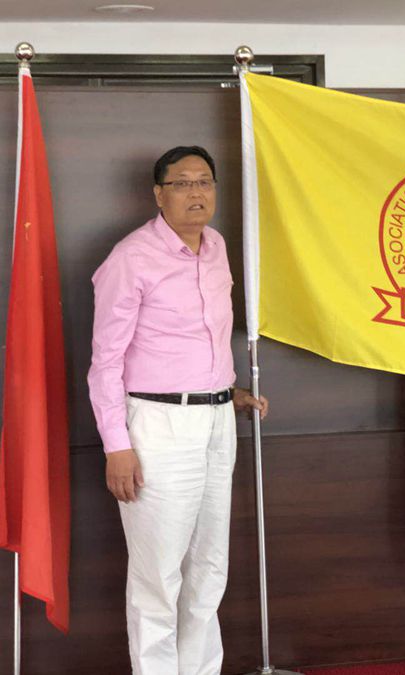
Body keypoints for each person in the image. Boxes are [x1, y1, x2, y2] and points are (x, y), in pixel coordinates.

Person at [88, 146, 268, 675]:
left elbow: (203, 339)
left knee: (209, 567)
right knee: (158, 575)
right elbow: (105, 361)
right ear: (158, 194)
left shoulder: (216, 247)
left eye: (204, 181)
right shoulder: (131, 258)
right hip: (158, 428)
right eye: (182, 183)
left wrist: (228, 390)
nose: (196, 193)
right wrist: (116, 446)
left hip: (216, 422)